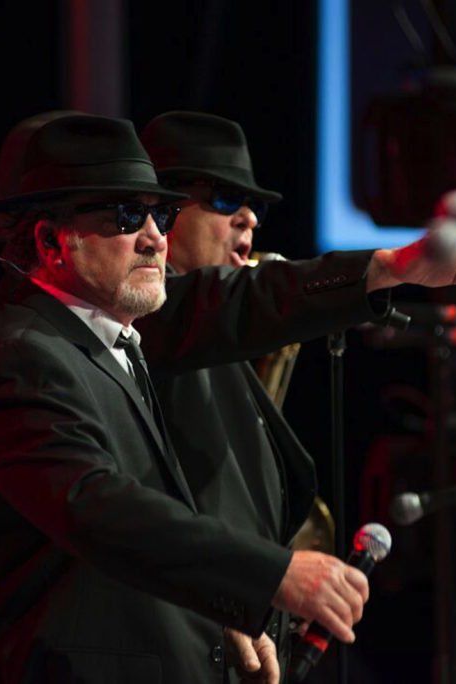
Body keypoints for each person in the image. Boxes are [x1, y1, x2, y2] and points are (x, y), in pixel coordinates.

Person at [0, 113, 456, 683]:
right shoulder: (23, 355)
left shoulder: (111, 343)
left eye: (161, 215)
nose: (155, 236)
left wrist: (216, 614)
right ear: (51, 241)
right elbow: (101, 510)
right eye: (128, 216)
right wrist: (270, 575)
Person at [137, 110, 329, 678]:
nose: (249, 218)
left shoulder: (211, 332)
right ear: (163, 211)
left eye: (255, 206)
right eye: (224, 198)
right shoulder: (150, 317)